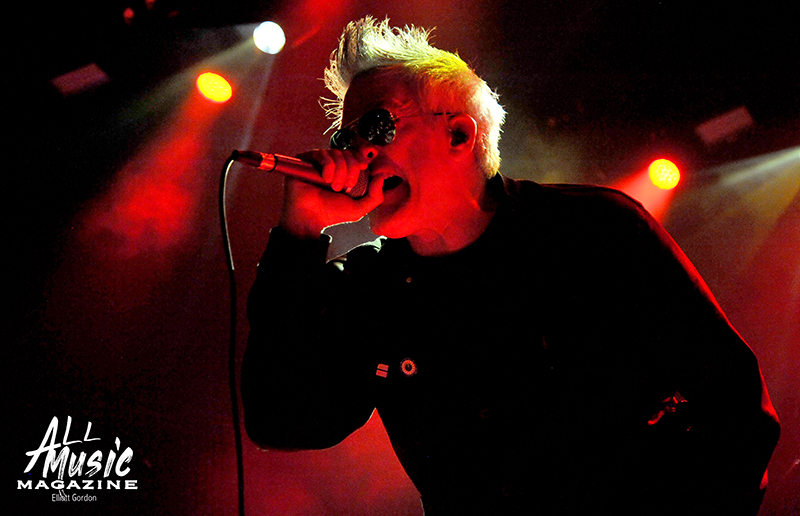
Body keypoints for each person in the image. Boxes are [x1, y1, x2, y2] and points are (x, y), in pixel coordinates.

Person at [242, 16, 780, 515]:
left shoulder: (594, 231)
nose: (359, 153)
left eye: (378, 126)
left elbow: (732, 403)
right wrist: (299, 234)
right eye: (346, 137)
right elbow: (283, 420)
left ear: (459, 134)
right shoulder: (371, 289)